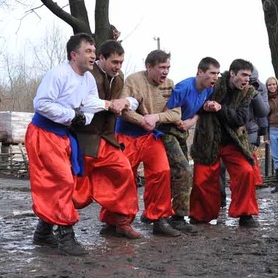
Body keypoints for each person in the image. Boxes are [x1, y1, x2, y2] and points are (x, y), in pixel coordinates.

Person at [27, 33, 133, 256]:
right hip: (43, 133)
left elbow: (89, 104)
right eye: (88, 51)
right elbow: (41, 104)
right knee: (62, 182)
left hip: (63, 135)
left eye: (94, 52)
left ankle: (43, 232)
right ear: (74, 55)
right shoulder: (58, 74)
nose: (93, 55)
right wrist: (70, 114)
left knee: (62, 182)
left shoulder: (87, 79)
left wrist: (94, 111)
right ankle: (66, 236)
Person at [71, 39, 145, 239]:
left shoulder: (119, 78)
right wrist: (109, 104)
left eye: (121, 62)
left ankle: (120, 221)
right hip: (84, 141)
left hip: (108, 140)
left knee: (124, 174)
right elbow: (79, 104)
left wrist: (125, 101)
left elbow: (134, 100)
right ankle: (50, 226)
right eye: (114, 62)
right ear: (101, 59)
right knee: (75, 188)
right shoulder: (86, 76)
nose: (118, 66)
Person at [119, 49, 185, 236]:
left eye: (168, 67)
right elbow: (124, 108)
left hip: (151, 135)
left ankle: (158, 218)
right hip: (128, 134)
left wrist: (155, 116)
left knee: (162, 171)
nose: (165, 72)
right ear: (149, 67)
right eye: (161, 67)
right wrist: (142, 120)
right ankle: (119, 220)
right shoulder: (133, 80)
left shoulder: (170, 85)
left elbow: (175, 113)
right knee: (125, 176)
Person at [189, 59, 261, 227]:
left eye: (249, 76)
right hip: (207, 139)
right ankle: (200, 215)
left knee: (246, 171)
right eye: (243, 75)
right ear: (232, 73)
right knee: (201, 179)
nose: (246, 79)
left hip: (233, 142)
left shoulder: (247, 92)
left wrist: (220, 108)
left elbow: (240, 119)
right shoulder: (213, 84)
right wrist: (205, 106)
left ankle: (246, 214)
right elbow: (194, 104)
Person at [164, 57, 219, 231]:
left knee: (176, 173)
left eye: (217, 73)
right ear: (200, 72)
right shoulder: (184, 87)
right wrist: (179, 121)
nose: (215, 77)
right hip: (166, 131)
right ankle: (178, 217)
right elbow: (166, 110)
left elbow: (201, 109)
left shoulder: (208, 90)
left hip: (182, 131)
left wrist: (191, 121)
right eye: (212, 73)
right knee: (183, 169)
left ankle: (164, 211)